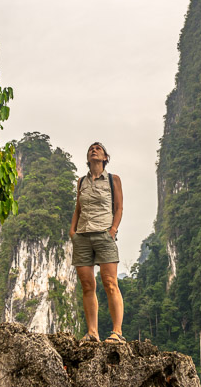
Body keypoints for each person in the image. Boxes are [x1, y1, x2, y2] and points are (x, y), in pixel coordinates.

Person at [69, 141, 125, 342]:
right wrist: (72, 231)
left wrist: (112, 230)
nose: (94, 150)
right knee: (86, 285)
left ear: (105, 158)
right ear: (88, 158)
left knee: (110, 283)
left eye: (98, 149)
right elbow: (78, 208)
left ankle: (117, 332)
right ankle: (92, 332)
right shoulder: (81, 181)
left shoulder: (113, 180)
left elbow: (118, 208)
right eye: (91, 149)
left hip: (104, 234)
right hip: (82, 236)